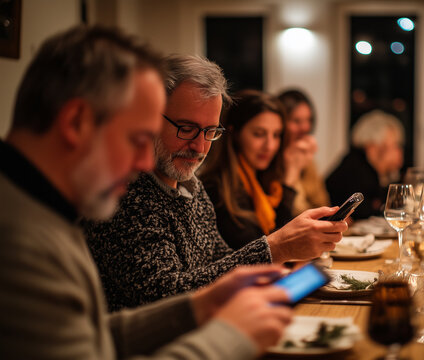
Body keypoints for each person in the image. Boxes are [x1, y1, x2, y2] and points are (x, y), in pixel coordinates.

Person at [0, 25, 295, 360]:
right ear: (76, 122)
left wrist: (199, 307)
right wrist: (232, 335)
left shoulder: (41, 209)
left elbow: (92, 336)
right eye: (137, 138)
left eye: (209, 131)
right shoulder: (19, 243)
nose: (143, 162)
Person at [83, 55, 347, 311]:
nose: (199, 146)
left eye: (210, 131)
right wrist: (275, 248)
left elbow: (221, 262)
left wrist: (281, 260)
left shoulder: (192, 187)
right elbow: (165, 299)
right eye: (186, 128)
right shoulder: (125, 194)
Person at [200, 90, 296, 249]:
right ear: (234, 133)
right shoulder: (215, 188)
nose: (270, 146)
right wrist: (289, 182)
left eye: (276, 135)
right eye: (259, 134)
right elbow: (261, 250)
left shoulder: (265, 181)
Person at [326, 110, 404, 220]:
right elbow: (363, 212)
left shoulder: (367, 168)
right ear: (373, 145)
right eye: (394, 145)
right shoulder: (355, 167)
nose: (398, 152)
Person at [278, 89, 330, 215]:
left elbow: (322, 203)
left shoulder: (307, 159)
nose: (306, 127)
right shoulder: (269, 160)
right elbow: (283, 215)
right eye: (296, 121)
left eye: (309, 120)